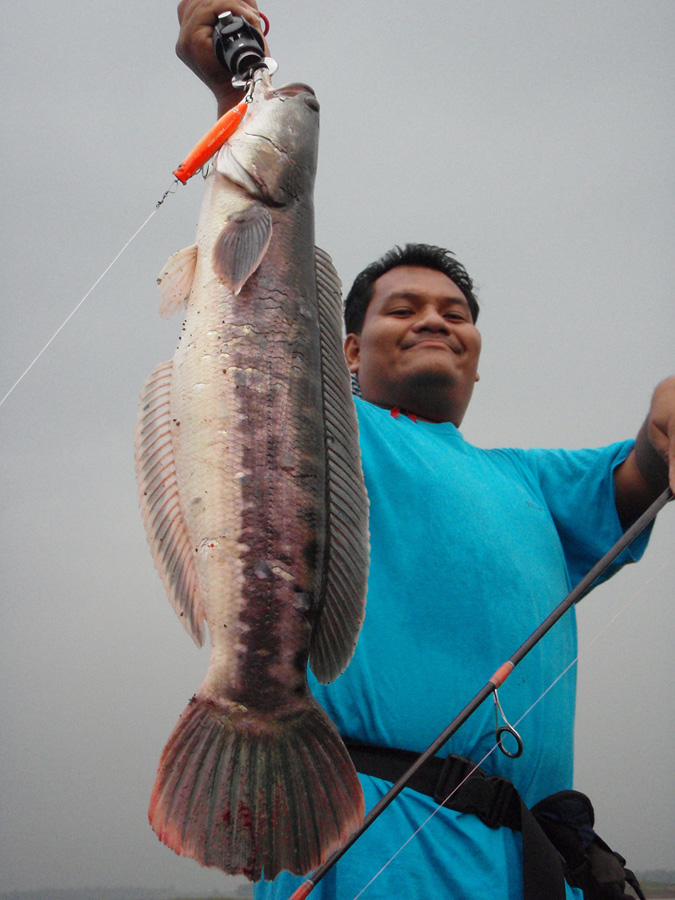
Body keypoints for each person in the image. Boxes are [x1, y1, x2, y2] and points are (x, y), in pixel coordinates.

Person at [174, 3, 675, 898]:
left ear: (478, 355)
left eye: (457, 313)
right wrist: (232, 94)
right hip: (359, 852)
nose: (437, 320)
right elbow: (252, 294)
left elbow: (641, 473)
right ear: (344, 352)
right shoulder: (315, 416)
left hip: (533, 868)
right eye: (402, 309)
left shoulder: (532, 482)